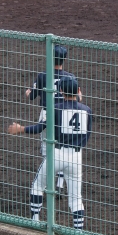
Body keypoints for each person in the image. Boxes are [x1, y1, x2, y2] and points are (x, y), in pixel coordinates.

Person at [8, 76, 92, 230]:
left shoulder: (56, 108)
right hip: (76, 157)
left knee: (38, 186)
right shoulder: (86, 110)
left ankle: (35, 220)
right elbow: (87, 135)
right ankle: (78, 233)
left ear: (60, 91)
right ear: (79, 91)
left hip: (57, 154)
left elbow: (39, 128)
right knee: (76, 199)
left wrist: (20, 128)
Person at [26, 45, 78, 195]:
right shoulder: (70, 77)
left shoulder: (43, 75)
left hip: (47, 114)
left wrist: (28, 91)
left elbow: (32, 96)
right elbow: (77, 97)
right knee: (63, 147)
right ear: (64, 59)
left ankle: (49, 184)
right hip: (65, 114)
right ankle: (60, 185)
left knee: (47, 149)